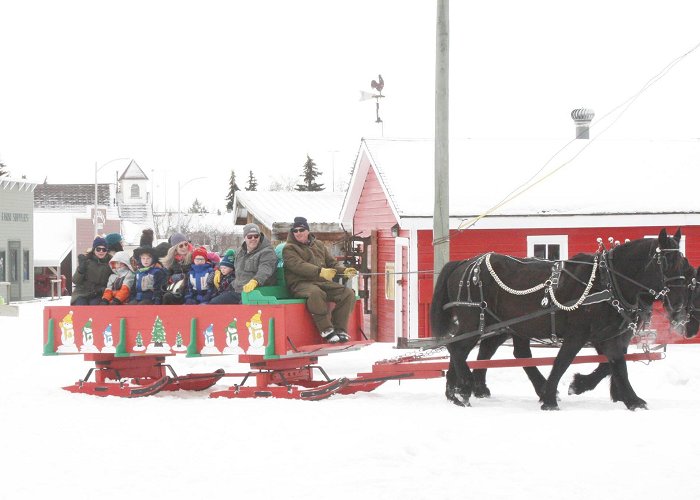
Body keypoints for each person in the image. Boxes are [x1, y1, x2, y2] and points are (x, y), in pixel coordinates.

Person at [282, 216, 358, 343]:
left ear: (308, 231)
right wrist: (320, 271)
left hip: (321, 282)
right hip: (300, 284)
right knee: (316, 293)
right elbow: (298, 266)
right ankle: (326, 329)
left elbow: (332, 264)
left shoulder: (319, 245)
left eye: (301, 230)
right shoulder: (289, 248)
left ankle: (340, 329)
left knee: (347, 293)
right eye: (295, 231)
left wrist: (344, 271)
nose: (298, 233)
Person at [232, 223, 278, 299]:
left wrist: (255, 281)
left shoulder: (267, 252)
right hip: (237, 290)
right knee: (214, 304)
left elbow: (265, 268)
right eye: (250, 236)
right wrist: (218, 269)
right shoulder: (240, 251)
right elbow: (229, 262)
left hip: (256, 292)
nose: (253, 238)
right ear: (245, 238)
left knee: (236, 309)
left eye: (256, 236)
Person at [71, 236, 113, 305]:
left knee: (94, 306)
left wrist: (103, 289)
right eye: (98, 249)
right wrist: (81, 270)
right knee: (81, 305)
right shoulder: (87, 261)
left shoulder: (111, 263)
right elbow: (75, 281)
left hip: (99, 293)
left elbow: (114, 279)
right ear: (94, 250)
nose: (101, 251)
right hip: (83, 292)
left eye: (104, 249)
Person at [130, 229, 166, 305]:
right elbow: (133, 288)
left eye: (148, 258)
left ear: (152, 259)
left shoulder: (156, 272)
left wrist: (157, 300)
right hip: (138, 297)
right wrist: (132, 298)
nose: (145, 261)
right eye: (143, 258)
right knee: (131, 305)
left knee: (141, 306)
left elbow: (158, 288)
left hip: (149, 298)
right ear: (140, 259)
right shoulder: (138, 272)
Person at [161, 232, 192, 305]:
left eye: (186, 244)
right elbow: (166, 280)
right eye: (181, 246)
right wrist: (171, 278)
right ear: (175, 249)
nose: (184, 247)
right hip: (176, 290)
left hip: (189, 289)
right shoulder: (172, 262)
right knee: (167, 296)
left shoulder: (193, 257)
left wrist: (185, 276)